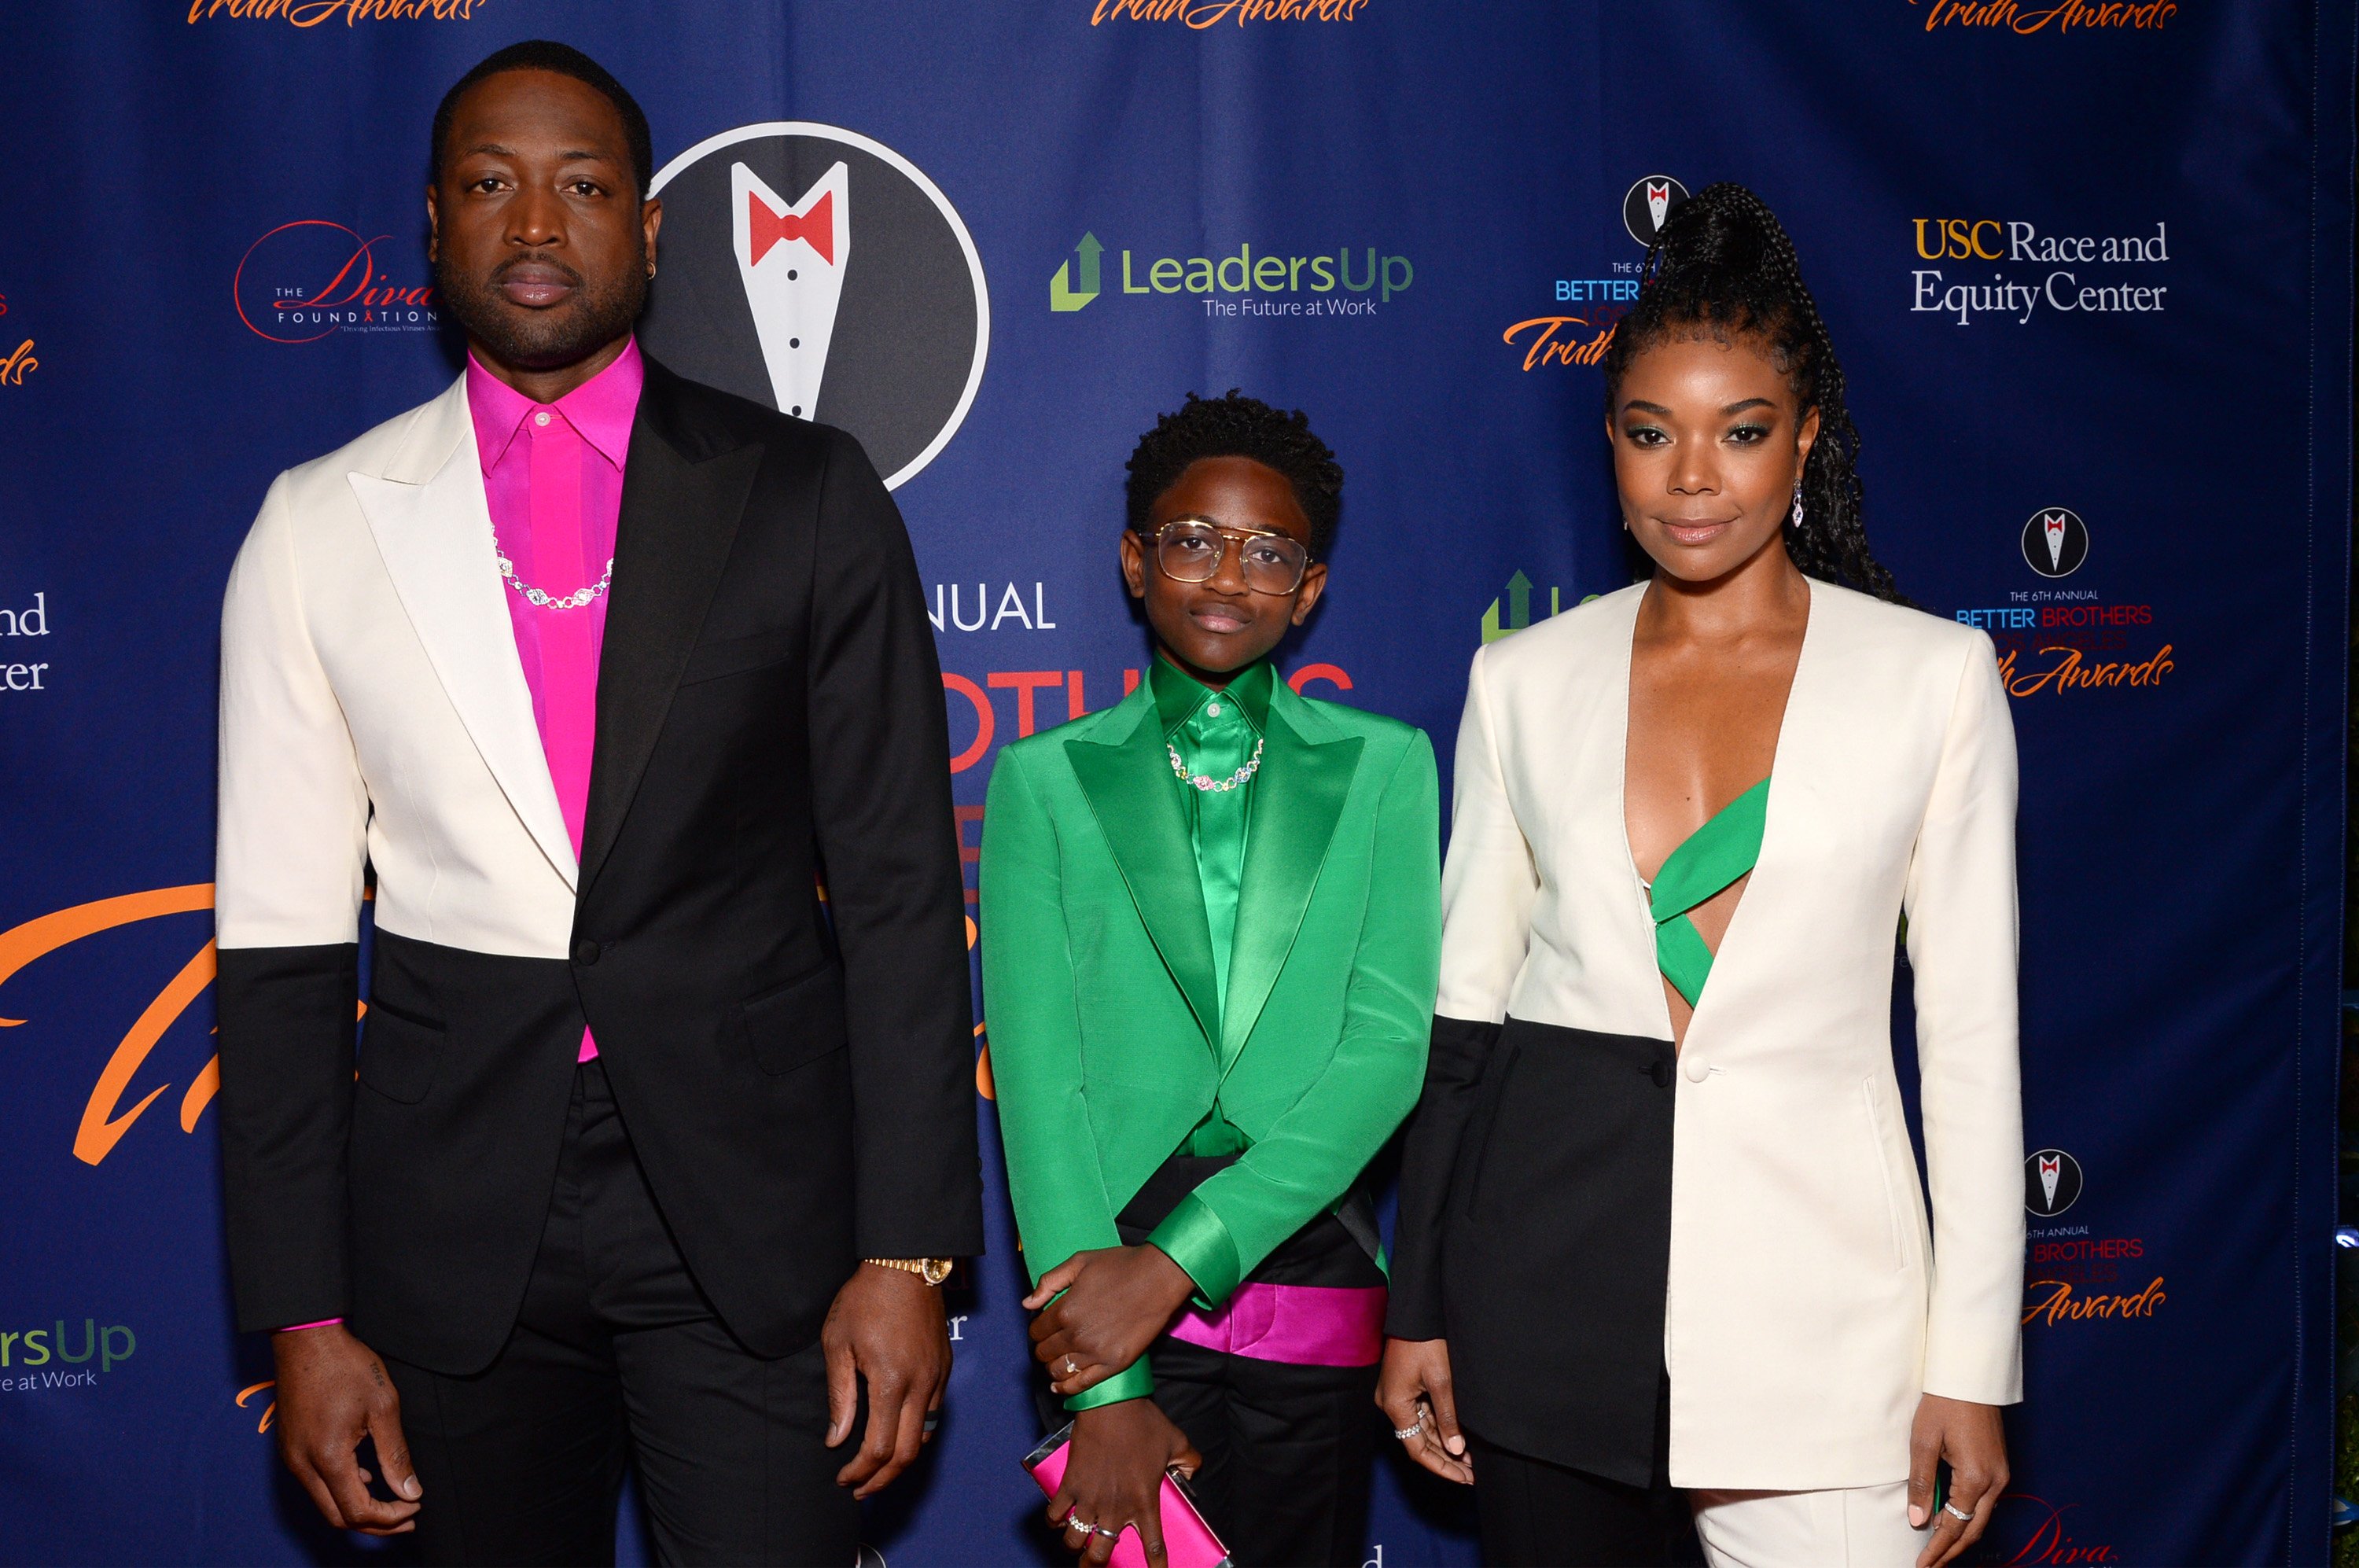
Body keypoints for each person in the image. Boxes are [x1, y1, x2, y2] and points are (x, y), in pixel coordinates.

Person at [213, 41, 981, 1566]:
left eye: (583, 186)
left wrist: (910, 1250)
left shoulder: (807, 490)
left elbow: (897, 894)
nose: (538, 226)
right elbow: (281, 953)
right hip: (450, 1227)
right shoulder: (313, 524)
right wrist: (300, 1311)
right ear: (434, 225)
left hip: (757, 1215)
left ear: (650, 226)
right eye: (492, 187)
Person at [1377, 184, 2024, 1568]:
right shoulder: (1522, 680)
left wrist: (1970, 1357)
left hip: (1831, 1324)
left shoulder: (1934, 681)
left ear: (1805, 441)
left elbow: (1971, 1045)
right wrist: (1419, 1303)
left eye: (1740, 434)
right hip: (1547, 1301)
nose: (1691, 479)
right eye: (1649, 433)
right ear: (1608, 445)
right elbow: (1465, 1023)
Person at [981, 392, 1441, 1568]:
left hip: (1309, 1263)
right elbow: (1041, 1089)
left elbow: (1387, 1050)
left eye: (1268, 550)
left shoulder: (1388, 766)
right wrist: (1105, 1383)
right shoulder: (1045, 779)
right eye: (1192, 539)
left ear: (1312, 585)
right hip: (1102, 1294)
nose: (1227, 574)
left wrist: (1182, 1258)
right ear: (1137, 562)